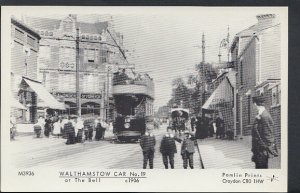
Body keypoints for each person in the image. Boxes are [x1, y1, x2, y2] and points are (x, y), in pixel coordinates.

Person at [251, 96, 277, 169]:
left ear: (255, 104)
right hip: (258, 150)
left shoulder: (265, 116)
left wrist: (267, 149)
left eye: (253, 104)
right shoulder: (260, 114)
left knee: (262, 169)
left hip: (262, 150)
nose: (253, 106)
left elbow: (269, 134)